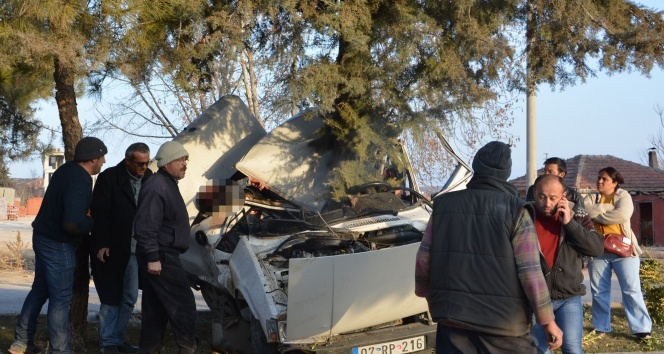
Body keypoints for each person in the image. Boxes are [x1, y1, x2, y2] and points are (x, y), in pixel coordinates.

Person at [415, 141, 563, 353]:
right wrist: (548, 321)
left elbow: (423, 260)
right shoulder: (517, 210)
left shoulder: (443, 205)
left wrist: (426, 294)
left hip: (452, 322)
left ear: (476, 166)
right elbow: (530, 273)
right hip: (503, 326)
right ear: (507, 173)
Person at [8, 137, 107, 354]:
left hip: (43, 236)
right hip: (58, 244)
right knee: (61, 300)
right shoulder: (80, 179)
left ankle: (21, 342)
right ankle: (61, 351)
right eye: (102, 157)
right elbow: (72, 223)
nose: (104, 161)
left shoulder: (66, 170)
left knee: (39, 291)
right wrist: (91, 220)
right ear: (92, 158)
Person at [529, 174, 604, 354]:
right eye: (542, 196)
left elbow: (596, 248)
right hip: (535, 300)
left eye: (553, 198)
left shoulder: (576, 215)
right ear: (534, 194)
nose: (547, 203)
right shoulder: (524, 216)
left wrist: (570, 224)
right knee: (540, 350)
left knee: (572, 348)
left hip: (568, 298)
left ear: (562, 196)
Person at [133, 141, 197, 353]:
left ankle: (148, 350)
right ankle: (187, 349)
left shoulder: (167, 183)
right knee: (184, 304)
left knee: (155, 310)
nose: (185, 164)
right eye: (181, 159)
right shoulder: (157, 186)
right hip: (161, 255)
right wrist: (153, 257)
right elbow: (145, 225)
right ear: (167, 162)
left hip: (162, 254)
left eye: (185, 159)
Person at [90, 143, 153, 353]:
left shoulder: (150, 178)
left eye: (147, 163)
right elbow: (100, 213)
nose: (144, 167)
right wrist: (101, 243)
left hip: (137, 249)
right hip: (115, 248)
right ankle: (108, 342)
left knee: (129, 297)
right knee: (111, 295)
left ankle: (116, 338)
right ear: (128, 161)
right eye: (140, 163)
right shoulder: (109, 178)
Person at [585, 167, 653, 339]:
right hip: (598, 250)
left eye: (604, 179)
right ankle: (602, 328)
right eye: (599, 178)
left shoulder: (624, 196)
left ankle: (641, 329)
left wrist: (597, 213)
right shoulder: (592, 197)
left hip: (625, 251)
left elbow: (621, 216)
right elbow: (584, 211)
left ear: (615, 182)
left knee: (631, 289)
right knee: (599, 291)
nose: (599, 181)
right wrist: (607, 208)